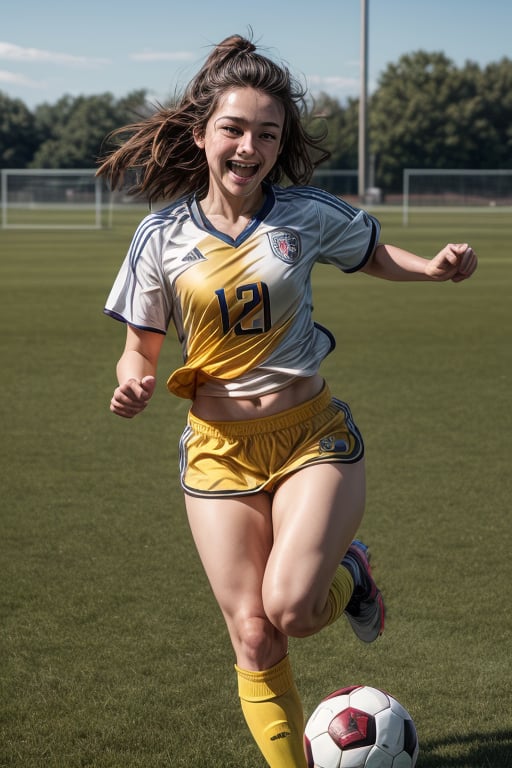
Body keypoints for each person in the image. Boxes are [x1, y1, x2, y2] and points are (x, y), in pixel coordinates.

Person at [97, 34, 477, 768]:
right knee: (252, 632)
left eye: (267, 134)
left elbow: (370, 254)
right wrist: (131, 377)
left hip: (310, 438)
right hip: (217, 451)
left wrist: (432, 268)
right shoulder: (161, 237)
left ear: (281, 144)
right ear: (203, 132)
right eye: (234, 130)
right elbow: (140, 342)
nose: (249, 147)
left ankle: (353, 571)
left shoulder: (301, 214)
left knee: (295, 610)